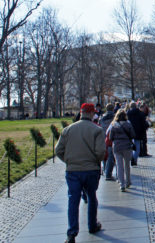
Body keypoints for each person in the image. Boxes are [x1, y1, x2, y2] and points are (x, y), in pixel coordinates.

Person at [55, 103, 105, 243]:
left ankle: (71, 233)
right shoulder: (97, 130)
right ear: (90, 114)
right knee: (92, 197)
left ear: (81, 112)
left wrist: (69, 161)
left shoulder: (68, 130)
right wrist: (95, 161)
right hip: (91, 170)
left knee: (73, 200)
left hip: (73, 170)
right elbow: (100, 152)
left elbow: (58, 150)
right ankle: (92, 224)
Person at [106, 109, 135, 192]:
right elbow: (133, 135)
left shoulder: (114, 125)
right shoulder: (128, 124)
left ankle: (122, 184)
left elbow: (110, 137)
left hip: (117, 147)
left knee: (119, 166)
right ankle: (128, 181)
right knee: (127, 165)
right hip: (127, 147)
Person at [126, 101, 148, 166]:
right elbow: (144, 124)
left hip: (129, 133)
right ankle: (134, 159)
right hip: (138, 133)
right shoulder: (141, 114)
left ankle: (132, 158)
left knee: (130, 148)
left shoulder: (127, 114)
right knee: (137, 148)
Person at [99, 104, 116, 181]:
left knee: (104, 155)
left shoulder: (102, 117)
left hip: (102, 137)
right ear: (113, 109)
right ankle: (108, 173)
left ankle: (105, 167)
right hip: (110, 138)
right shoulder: (115, 117)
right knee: (111, 156)